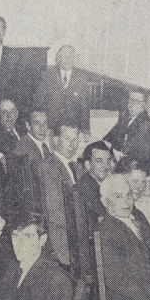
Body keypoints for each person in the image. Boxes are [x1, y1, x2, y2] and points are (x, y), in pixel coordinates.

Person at [37, 123, 82, 266]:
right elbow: (55, 212)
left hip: (75, 231)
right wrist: (83, 226)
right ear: (56, 140)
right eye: (67, 138)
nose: (72, 144)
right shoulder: (49, 167)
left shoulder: (76, 166)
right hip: (63, 239)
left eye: (75, 140)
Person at [33, 45, 92, 132]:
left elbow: (85, 107)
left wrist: (85, 129)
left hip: (72, 130)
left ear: (74, 59)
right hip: (51, 128)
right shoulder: (47, 75)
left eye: (70, 56)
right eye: (64, 56)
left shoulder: (82, 77)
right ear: (59, 58)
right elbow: (39, 102)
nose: (67, 59)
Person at [76, 140, 114, 218]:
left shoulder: (109, 186)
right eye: (99, 161)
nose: (105, 166)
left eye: (108, 161)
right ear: (88, 165)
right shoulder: (84, 190)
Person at [104, 89, 146, 154]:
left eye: (137, 102)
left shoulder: (143, 124)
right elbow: (109, 136)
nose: (132, 104)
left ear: (144, 105)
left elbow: (126, 150)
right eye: (131, 100)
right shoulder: (126, 117)